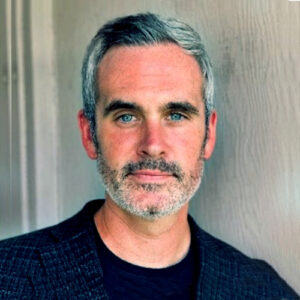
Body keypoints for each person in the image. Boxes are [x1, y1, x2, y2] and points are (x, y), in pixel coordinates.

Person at [0, 13, 298, 300]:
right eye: (127, 116)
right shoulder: (7, 276)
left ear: (209, 134)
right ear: (89, 134)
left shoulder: (263, 290)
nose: (153, 145)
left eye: (176, 115)